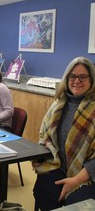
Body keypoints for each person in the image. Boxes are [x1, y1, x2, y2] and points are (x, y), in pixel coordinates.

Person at [33, 57, 95, 211]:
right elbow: (45, 136)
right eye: (72, 76)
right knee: (44, 191)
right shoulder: (58, 104)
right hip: (59, 166)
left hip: (89, 175)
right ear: (66, 79)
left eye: (83, 77)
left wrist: (75, 181)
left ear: (92, 79)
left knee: (75, 202)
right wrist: (40, 155)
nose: (77, 81)